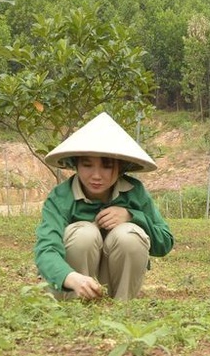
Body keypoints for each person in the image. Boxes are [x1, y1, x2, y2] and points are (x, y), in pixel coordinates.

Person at [33, 112, 174, 300]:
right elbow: (46, 249)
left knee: (129, 235)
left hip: (115, 278)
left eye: (106, 166)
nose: (96, 175)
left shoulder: (134, 192)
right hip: (72, 283)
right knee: (84, 233)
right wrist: (71, 277)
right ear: (75, 165)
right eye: (87, 165)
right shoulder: (61, 197)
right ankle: (76, 305)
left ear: (121, 167)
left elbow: (165, 242)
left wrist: (132, 216)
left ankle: (122, 307)